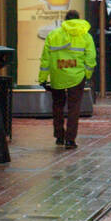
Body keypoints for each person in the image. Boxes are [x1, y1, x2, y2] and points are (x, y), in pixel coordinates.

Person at [38, 10, 96, 149]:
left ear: (65, 20)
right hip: (77, 76)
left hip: (58, 74)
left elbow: (45, 59)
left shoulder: (53, 35)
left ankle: (59, 136)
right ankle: (70, 139)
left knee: (57, 105)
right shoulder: (86, 36)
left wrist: (43, 78)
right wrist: (87, 74)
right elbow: (91, 58)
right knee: (74, 107)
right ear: (78, 19)